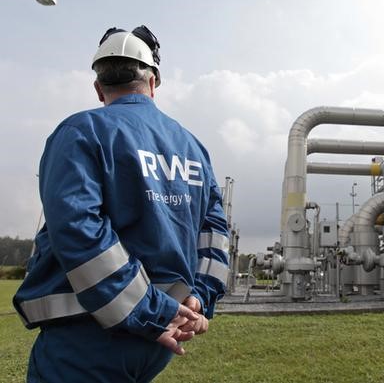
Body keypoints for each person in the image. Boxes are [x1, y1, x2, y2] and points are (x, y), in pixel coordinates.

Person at [13, 25, 230, 382]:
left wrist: (149, 313)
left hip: (89, 338)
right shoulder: (193, 147)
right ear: (153, 83)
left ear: (99, 88)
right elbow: (215, 235)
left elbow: (79, 231)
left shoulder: (82, 132)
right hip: (159, 339)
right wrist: (197, 302)